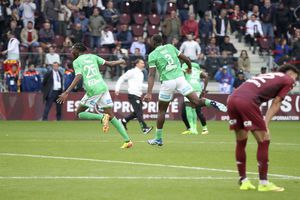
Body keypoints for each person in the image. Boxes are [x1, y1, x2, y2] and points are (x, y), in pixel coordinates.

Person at [144, 34, 227, 146]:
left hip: (168, 82)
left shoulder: (152, 55)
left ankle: (158, 138)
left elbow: (151, 75)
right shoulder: (170, 47)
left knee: (162, 111)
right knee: (196, 101)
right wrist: (189, 67)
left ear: (153, 43)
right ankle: (211, 102)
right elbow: (186, 59)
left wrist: (149, 93)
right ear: (162, 41)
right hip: (180, 79)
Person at [227, 64, 299, 192]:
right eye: (295, 77)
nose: (295, 80)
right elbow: (276, 103)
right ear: (290, 74)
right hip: (247, 101)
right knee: (264, 139)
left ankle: (243, 181)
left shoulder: (268, 75)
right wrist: (266, 123)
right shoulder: (288, 79)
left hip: (232, 99)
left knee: (241, 140)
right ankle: (264, 183)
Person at [57, 43, 133, 149]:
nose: (71, 52)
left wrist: (66, 92)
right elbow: (110, 64)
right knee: (112, 115)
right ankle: (127, 140)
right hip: (103, 87)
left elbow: (78, 76)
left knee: (79, 113)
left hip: (93, 89)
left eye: (72, 50)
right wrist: (121, 61)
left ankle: (101, 117)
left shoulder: (77, 61)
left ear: (78, 51)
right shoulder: (93, 56)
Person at [115, 59, 153, 135]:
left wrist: (149, 86)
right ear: (137, 64)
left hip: (138, 95)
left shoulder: (141, 73)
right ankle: (144, 128)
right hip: (133, 94)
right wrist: (117, 88)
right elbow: (121, 78)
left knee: (137, 112)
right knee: (139, 112)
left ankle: (123, 121)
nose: (143, 64)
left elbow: (140, 85)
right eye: (142, 63)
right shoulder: (131, 72)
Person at [181, 62, 209, 135]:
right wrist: (204, 89)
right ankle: (195, 129)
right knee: (194, 108)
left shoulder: (185, 67)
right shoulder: (197, 70)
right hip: (198, 88)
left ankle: (192, 129)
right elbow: (206, 76)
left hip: (188, 87)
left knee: (188, 107)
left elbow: (180, 75)